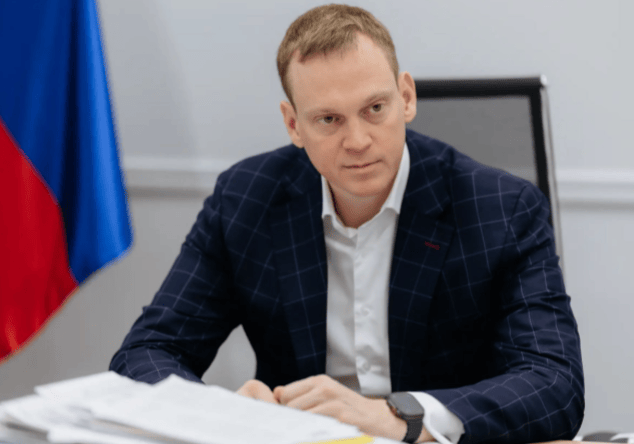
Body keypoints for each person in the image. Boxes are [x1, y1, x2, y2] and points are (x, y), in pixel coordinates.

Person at [110, 4, 584, 443]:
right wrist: (222, 412)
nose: (357, 140)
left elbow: (555, 383)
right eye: (329, 119)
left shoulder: (501, 208)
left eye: (375, 109)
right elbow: (145, 352)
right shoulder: (245, 200)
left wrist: (400, 418)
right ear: (294, 125)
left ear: (406, 97)